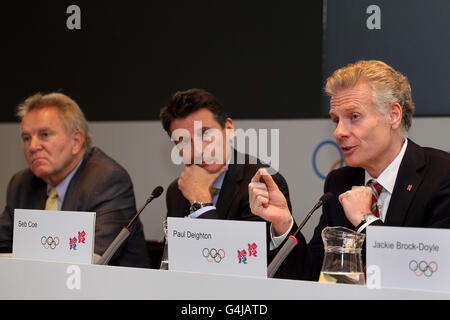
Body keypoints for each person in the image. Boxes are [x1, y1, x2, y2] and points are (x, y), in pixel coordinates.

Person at [249, 60, 450, 280]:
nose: (338, 132)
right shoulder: (340, 182)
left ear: (393, 115)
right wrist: (283, 223)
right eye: (336, 120)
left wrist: (365, 221)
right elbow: (313, 274)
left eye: (354, 116)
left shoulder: (441, 175)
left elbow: (430, 273)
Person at [0, 92, 150, 268]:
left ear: (77, 141)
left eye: (45, 135)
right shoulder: (22, 184)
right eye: (27, 138)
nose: (32, 147)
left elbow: (96, 258)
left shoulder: (107, 180)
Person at [160, 88, 294, 251]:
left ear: (229, 128)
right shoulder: (177, 191)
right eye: (184, 142)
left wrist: (201, 204)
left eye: (205, 134)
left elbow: (244, 259)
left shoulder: (261, 182)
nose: (198, 150)